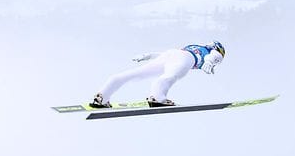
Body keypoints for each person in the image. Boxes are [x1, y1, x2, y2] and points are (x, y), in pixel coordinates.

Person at [91, 41, 226, 107]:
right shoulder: (212, 52)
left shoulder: (195, 46)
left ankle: (102, 96)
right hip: (186, 58)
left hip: (170, 54)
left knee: (136, 73)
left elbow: (170, 56)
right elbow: (214, 56)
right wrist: (210, 62)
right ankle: (157, 98)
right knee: (170, 77)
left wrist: (149, 55)